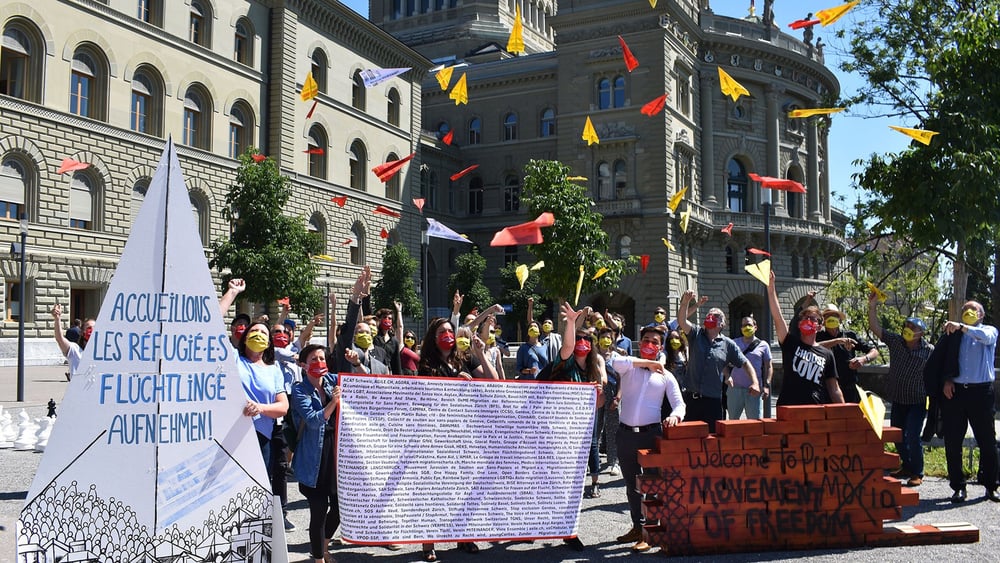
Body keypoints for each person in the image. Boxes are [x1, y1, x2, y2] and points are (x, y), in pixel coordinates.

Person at [415, 317, 492, 560]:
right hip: (437, 434)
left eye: (450, 331)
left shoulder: (465, 357)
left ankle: (464, 535)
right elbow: (426, 395)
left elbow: (492, 381)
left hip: (465, 432)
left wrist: (480, 354)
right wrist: (454, 383)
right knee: (435, 489)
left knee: (464, 487)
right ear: (433, 337)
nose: (448, 335)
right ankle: (429, 542)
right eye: (442, 332)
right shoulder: (426, 363)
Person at [613, 325, 685, 553]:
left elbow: (679, 404)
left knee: (652, 484)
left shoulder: (666, 375)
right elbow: (616, 362)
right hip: (625, 434)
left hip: (650, 435)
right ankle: (637, 526)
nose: (649, 344)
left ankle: (651, 531)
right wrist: (646, 363)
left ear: (660, 347)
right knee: (632, 485)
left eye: (654, 342)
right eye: (646, 340)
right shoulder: (629, 366)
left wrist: (675, 416)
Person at [549, 302, 606, 551]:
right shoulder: (567, 363)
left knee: (573, 485)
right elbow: (568, 347)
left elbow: (597, 405)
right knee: (553, 483)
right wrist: (571, 323)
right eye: (579, 340)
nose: (582, 344)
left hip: (579, 434)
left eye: (587, 340)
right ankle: (536, 524)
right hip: (558, 432)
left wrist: (597, 393)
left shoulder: (591, 370)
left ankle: (569, 531)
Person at [868, 294, 932, 487]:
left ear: (921, 333)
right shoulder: (896, 342)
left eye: (913, 327)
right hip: (898, 399)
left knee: (912, 435)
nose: (908, 329)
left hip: (917, 401)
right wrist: (872, 306)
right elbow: (875, 328)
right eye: (907, 325)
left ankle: (917, 472)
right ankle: (907, 465)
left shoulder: (929, 350)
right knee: (897, 436)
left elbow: (939, 370)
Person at [940, 300, 999, 503]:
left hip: (981, 392)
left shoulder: (989, 330)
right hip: (956, 392)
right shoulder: (954, 334)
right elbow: (946, 359)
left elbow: (986, 338)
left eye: (973, 310)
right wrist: (947, 379)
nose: (968, 312)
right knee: (953, 442)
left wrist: (963, 327)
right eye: (964, 310)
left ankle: (991, 485)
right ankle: (958, 486)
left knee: (987, 441)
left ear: (981, 315)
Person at [289, 344, 342, 563]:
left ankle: (324, 545)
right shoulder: (299, 390)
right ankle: (319, 558)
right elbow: (312, 420)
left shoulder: (331, 381)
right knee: (319, 511)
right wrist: (333, 403)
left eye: (322, 358)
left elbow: (360, 379)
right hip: (314, 458)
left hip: (335, 454)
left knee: (339, 508)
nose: (319, 362)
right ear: (303, 364)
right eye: (313, 359)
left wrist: (356, 362)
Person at [676, 290, 756, 432]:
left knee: (711, 440)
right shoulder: (696, 333)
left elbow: (745, 363)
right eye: (709, 314)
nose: (711, 317)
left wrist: (754, 382)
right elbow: (682, 321)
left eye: (716, 316)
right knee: (688, 438)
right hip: (691, 399)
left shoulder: (728, 344)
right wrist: (685, 302)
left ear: (722, 324)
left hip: (712, 401)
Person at [767, 272, 844, 405]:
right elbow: (778, 317)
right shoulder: (790, 343)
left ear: (820, 326)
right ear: (799, 324)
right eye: (805, 318)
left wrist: (844, 412)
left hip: (815, 410)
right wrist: (771, 288)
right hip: (788, 410)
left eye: (812, 319)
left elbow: (834, 388)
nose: (808, 321)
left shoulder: (827, 354)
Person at [237, 321, 290, 472]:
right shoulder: (234, 359)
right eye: (254, 331)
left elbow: (283, 406)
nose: (258, 335)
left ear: (268, 343)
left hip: (261, 436)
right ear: (245, 338)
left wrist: (260, 408)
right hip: (233, 433)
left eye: (263, 333)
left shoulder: (274, 371)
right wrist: (232, 295)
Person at [816, 303, 878, 403]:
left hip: (850, 390)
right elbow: (813, 347)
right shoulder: (818, 337)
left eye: (835, 316)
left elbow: (874, 351)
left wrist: (863, 359)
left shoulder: (850, 335)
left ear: (840, 320)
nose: (831, 319)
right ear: (823, 322)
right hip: (826, 391)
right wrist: (837, 341)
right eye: (828, 316)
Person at [727, 316, 772, 420]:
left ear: (755, 327)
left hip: (754, 390)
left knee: (755, 423)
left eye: (749, 325)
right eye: (743, 325)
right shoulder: (733, 343)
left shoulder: (763, 345)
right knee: (732, 422)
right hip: (735, 389)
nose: (746, 327)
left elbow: (769, 366)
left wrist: (767, 385)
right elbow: (724, 362)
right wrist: (727, 375)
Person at [596, 327, 621, 476]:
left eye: (608, 337)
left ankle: (614, 462)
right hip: (597, 395)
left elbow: (621, 379)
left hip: (612, 395)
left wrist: (618, 397)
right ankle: (593, 461)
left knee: (613, 431)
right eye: (603, 336)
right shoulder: (593, 356)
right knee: (595, 430)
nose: (606, 340)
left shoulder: (616, 357)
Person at [51, 305, 94, 381]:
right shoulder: (75, 350)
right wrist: (57, 319)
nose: (92, 330)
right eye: (89, 328)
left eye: (95, 328)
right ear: (82, 332)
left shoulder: (102, 354)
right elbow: (59, 338)